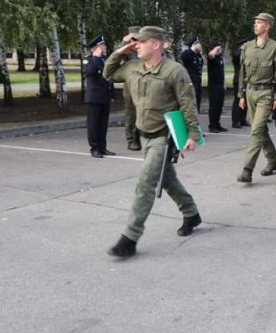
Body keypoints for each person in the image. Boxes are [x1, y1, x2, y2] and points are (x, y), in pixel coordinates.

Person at [104, 26, 202, 258]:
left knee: (146, 183)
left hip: (163, 138)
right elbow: (108, 73)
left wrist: (193, 134)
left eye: (141, 42)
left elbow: (188, 103)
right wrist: (121, 51)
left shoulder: (174, 71)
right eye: (135, 43)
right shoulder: (132, 68)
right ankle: (191, 213)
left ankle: (130, 238)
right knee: (166, 179)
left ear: (156, 44)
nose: (136, 45)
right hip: (143, 135)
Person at [236, 13, 276, 183]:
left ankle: (247, 169)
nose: (256, 25)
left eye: (260, 22)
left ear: (268, 26)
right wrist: (241, 94)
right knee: (260, 130)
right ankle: (273, 161)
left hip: (266, 93)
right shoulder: (247, 47)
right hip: (250, 92)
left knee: (256, 129)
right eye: (255, 22)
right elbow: (242, 73)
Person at [85, 35, 115, 158]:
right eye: (102, 45)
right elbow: (90, 71)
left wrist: (112, 94)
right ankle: (95, 148)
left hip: (104, 96)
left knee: (103, 123)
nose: (105, 47)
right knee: (93, 124)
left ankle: (102, 147)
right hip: (94, 97)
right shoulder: (88, 59)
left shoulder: (105, 59)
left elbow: (109, 78)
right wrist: (95, 56)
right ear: (95, 48)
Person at [120, 26, 141, 151]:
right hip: (130, 87)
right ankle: (131, 140)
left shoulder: (142, 48)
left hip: (144, 86)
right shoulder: (127, 49)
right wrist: (124, 42)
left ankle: (141, 138)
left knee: (143, 113)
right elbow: (116, 56)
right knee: (131, 115)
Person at [207, 39, 227, 133]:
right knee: (214, 106)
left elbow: (221, 73)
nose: (221, 49)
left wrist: (224, 84)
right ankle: (212, 125)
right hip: (213, 86)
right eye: (220, 48)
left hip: (220, 86)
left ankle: (217, 124)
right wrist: (215, 48)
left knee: (219, 106)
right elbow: (211, 55)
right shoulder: (212, 58)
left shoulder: (220, 59)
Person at [181, 36, 203, 113]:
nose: (200, 45)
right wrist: (192, 49)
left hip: (198, 83)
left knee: (198, 103)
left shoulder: (198, 56)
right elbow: (183, 57)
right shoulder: (189, 54)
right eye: (198, 43)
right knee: (191, 104)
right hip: (190, 83)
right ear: (194, 44)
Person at [231, 39, 250, 128]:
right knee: (238, 100)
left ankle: (243, 119)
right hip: (238, 80)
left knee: (245, 100)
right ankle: (235, 121)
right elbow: (236, 55)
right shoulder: (238, 53)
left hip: (245, 80)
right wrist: (242, 49)